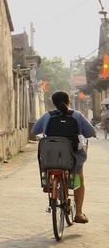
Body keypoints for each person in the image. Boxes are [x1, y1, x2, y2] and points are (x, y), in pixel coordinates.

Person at [31, 90, 96, 223]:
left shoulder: (47, 115)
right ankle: (79, 213)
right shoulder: (77, 115)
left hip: (50, 157)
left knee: (49, 165)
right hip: (72, 157)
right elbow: (90, 132)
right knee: (79, 178)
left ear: (54, 103)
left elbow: (34, 131)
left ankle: (49, 182)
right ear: (68, 101)